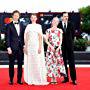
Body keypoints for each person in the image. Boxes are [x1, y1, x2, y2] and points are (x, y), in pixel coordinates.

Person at [23, 14, 49, 85]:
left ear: (36, 18)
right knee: (31, 62)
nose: (33, 19)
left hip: (37, 46)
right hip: (30, 46)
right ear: (30, 19)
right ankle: (31, 78)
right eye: (32, 17)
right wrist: (25, 46)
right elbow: (26, 37)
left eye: (35, 17)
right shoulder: (28, 26)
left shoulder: (39, 26)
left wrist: (40, 47)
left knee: (37, 61)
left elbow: (40, 37)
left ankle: (38, 78)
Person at [45, 17, 66, 84]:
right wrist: (51, 46)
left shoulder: (60, 30)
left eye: (57, 21)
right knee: (51, 63)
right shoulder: (48, 30)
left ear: (58, 22)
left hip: (58, 49)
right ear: (52, 21)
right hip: (50, 49)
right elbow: (46, 40)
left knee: (56, 63)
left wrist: (58, 47)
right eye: (54, 21)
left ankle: (55, 78)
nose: (55, 22)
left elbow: (61, 40)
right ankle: (52, 78)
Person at [6, 10, 25, 85]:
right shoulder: (8, 25)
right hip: (12, 48)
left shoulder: (22, 25)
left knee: (20, 65)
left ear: (19, 16)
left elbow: (23, 37)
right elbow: (7, 37)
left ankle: (19, 80)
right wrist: (8, 47)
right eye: (15, 15)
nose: (16, 16)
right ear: (12, 16)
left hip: (20, 48)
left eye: (17, 15)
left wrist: (24, 46)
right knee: (11, 64)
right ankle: (11, 80)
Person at [58, 12, 77, 85]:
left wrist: (70, 43)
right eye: (65, 16)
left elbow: (73, 36)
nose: (66, 17)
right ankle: (66, 79)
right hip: (62, 47)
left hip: (70, 47)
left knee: (72, 63)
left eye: (67, 16)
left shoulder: (71, 24)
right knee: (64, 63)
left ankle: (74, 79)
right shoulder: (59, 25)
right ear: (62, 17)